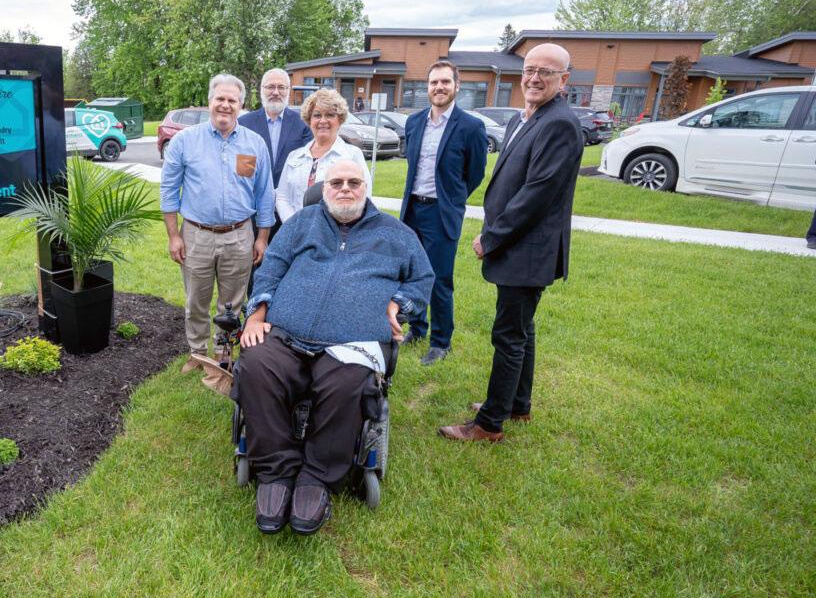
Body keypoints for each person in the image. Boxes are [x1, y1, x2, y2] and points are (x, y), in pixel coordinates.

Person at [235, 160, 433, 534]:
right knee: (256, 364)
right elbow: (271, 268)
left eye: (353, 182)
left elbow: (423, 280)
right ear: (324, 190)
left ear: (366, 187)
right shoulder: (302, 223)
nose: (345, 189)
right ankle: (276, 473)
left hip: (352, 343)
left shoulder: (397, 234)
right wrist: (256, 314)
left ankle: (317, 479)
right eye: (337, 182)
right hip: (286, 333)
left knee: (348, 386)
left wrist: (399, 304)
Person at [438, 43, 584, 443]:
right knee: (522, 331)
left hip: (527, 248)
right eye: (530, 69)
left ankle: (489, 423)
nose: (535, 78)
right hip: (521, 248)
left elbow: (537, 194)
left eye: (547, 73)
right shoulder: (527, 117)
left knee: (509, 335)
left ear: (564, 80)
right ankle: (517, 403)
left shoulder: (559, 124)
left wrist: (492, 236)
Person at [160, 74, 274, 363]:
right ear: (210, 101)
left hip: (239, 236)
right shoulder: (185, 141)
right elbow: (169, 191)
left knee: (232, 303)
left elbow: (264, 195)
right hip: (196, 235)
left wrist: (262, 238)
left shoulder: (255, 144)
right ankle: (197, 354)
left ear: (241, 105)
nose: (225, 105)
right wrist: (174, 236)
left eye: (232, 100)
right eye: (220, 99)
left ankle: (225, 353)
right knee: (195, 301)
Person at [398, 59, 488, 366]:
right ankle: (418, 327)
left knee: (439, 279)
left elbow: (474, 174)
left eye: (445, 82)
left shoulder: (471, 127)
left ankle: (440, 341)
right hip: (412, 209)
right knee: (412, 274)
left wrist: (453, 199)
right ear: (427, 87)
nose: (439, 87)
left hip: (441, 213)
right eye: (434, 82)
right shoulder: (414, 122)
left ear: (456, 86)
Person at [275, 89, 369, 222]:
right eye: (317, 115)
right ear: (309, 120)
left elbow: (364, 198)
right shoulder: (294, 156)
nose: (323, 120)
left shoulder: (352, 155)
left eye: (330, 115)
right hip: (296, 232)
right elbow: (282, 197)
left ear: (340, 120)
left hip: (337, 234)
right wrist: (293, 223)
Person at [239, 68, 313, 188]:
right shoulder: (244, 124)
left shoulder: (304, 123)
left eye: (281, 87)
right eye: (271, 87)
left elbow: (307, 165)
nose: (276, 92)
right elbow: (243, 171)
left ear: (289, 90)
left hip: (290, 198)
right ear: (262, 89)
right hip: (254, 197)